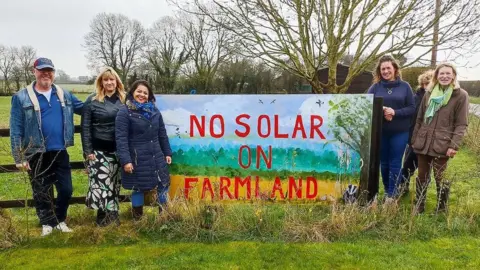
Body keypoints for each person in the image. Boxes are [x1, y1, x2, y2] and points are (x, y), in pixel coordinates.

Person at [9, 57, 83, 236]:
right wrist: (19, 157)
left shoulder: (63, 94)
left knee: (66, 189)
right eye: (42, 70)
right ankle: (47, 224)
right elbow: (16, 128)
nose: (46, 74)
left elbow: (86, 108)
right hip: (36, 152)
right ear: (34, 72)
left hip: (60, 150)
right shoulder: (21, 97)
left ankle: (59, 220)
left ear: (54, 73)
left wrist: (110, 103)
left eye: (49, 70)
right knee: (41, 191)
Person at [411, 63, 469, 214]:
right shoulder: (429, 93)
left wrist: (454, 145)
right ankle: (419, 206)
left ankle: (441, 209)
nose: (444, 76)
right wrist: (414, 139)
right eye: (441, 73)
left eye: (448, 74)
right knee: (422, 176)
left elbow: (461, 124)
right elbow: (420, 118)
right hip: (423, 142)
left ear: (453, 76)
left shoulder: (461, 95)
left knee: (440, 177)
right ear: (436, 76)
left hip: (442, 144)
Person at [115, 80, 172, 220]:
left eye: (145, 92)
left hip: (156, 155)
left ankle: (163, 218)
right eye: (139, 91)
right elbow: (121, 138)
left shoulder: (154, 110)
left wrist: (167, 152)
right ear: (132, 93)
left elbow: (162, 134)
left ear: (149, 95)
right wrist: (126, 160)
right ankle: (138, 220)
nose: (142, 95)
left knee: (163, 184)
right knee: (138, 187)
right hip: (137, 157)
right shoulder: (124, 112)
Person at [81, 67, 126, 226]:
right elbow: (85, 127)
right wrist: (88, 151)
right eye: (105, 80)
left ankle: (111, 216)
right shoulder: (92, 101)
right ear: (101, 82)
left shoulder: (123, 100)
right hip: (99, 150)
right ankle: (104, 218)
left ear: (116, 82)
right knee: (102, 184)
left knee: (114, 184)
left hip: (119, 149)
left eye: (111, 79)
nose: (109, 82)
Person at [367, 55, 415, 201]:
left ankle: (392, 195)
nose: (386, 71)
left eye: (388, 68)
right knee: (384, 163)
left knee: (395, 163)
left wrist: (395, 112)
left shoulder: (405, 86)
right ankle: (388, 190)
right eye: (383, 69)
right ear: (379, 71)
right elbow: (366, 105)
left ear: (395, 69)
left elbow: (412, 108)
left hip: (399, 132)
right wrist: (382, 111)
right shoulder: (375, 87)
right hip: (380, 132)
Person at [399, 70, 434, 193]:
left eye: (430, 83)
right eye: (426, 83)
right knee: (408, 165)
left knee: (425, 169)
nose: (428, 86)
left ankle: (421, 193)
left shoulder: (437, 99)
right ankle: (403, 188)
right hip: (414, 137)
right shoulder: (414, 98)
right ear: (422, 84)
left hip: (430, 140)